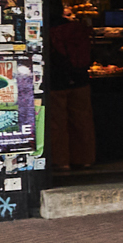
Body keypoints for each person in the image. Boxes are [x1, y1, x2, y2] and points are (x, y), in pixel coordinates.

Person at [43, 10, 95, 172]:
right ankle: (85, 159)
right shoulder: (76, 29)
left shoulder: (47, 29)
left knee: (57, 122)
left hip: (56, 81)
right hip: (80, 79)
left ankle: (61, 161)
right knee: (82, 120)